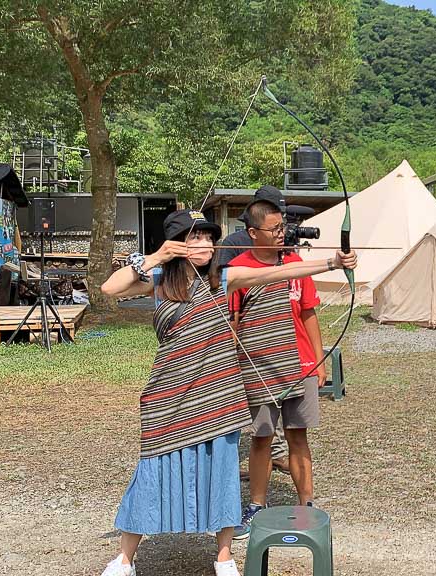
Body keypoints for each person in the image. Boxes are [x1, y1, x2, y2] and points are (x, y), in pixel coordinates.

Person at [98, 209, 357, 576]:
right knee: (153, 469)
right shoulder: (158, 279)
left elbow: (278, 271)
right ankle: (125, 558)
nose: (204, 244)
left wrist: (332, 261)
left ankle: (223, 556)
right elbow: (109, 288)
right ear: (177, 244)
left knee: (220, 470)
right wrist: (157, 257)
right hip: (168, 393)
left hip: (217, 394)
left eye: (208, 237)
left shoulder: (223, 279)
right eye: (194, 238)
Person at [228, 198, 329, 539]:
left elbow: (308, 311)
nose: (280, 234)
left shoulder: (296, 263)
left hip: (299, 364)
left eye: (282, 227)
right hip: (259, 365)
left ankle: (307, 505)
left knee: (297, 435)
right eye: (274, 229)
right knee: (262, 437)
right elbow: (234, 322)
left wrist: (318, 359)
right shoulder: (239, 268)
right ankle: (257, 505)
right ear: (253, 233)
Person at [218, 185, 291, 475]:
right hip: (244, 330)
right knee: (252, 405)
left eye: (281, 223)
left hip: (276, 334)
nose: (280, 230)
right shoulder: (235, 242)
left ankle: (276, 452)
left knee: (273, 399)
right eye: (275, 223)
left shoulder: (282, 242)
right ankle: (254, 456)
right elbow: (224, 285)